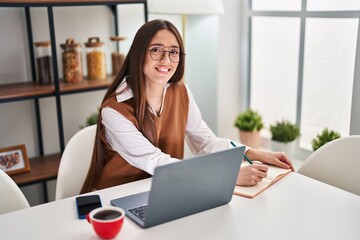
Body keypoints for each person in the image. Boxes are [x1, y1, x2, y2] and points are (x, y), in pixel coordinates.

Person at [80, 19, 294, 194]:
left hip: (166, 191)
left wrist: (255, 153)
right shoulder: (114, 110)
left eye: (174, 52)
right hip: (117, 197)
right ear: (139, 53)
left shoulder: (180, 91)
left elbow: (205, 142)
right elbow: (156, 161)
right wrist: (227, 176)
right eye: (156, 50)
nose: (166, 60)